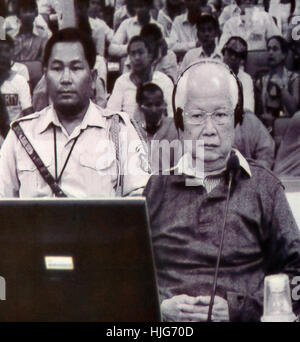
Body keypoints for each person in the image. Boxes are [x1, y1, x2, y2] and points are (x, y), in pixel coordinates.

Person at [143, 59, 300, 322]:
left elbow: (297, 279)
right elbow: (127, 274)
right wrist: (159, 307)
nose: (209, 131)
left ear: (237, 119)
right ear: (180, 123)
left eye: (220, 115)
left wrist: (240, 309)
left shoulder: (265, 187)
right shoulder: (156, 187)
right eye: (196, 116)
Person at [0, 28, 150, 198]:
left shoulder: (119, 130)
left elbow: (140, 202)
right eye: (56, 68)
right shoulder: (21, 135)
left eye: (76, 68)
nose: (66, 79)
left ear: (93, 77)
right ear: (45, 77)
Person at [107, 35, 174, 118]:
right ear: (129, 57)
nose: (137, 57)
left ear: (150, 55)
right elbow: (110, 115)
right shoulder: (121, 82)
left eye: (140, 52)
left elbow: (173, 116)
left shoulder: (164, 81)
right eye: (133, 54)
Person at [255, 35, 300, 132]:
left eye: (275, 49)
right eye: (269, 49)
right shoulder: (261, 81)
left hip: (288, 128)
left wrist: (281, 87)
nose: (270, 53)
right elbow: (257, 113)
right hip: (266, 128)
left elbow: (294, 111)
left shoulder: (294, 78)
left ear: (284, 54)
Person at [134, 82, 179, 173]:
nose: (154, 110)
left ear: (164, 105)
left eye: (158, 104)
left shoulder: (174, 129)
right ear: (140, 107)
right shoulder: (134, 131)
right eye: (149, 105)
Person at [0, 35, 33, 124]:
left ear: (12, 53)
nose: (3, 55)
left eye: (6, 50)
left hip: (14, 133)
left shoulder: (20, 81)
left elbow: (28, 114)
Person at [222, 36, 255, 113]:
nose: (233, 57)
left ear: (242, 60)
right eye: (230, 52)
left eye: (237, 55)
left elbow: (248, 109)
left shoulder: (246, 79)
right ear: (224, 52)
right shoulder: (213, 73)